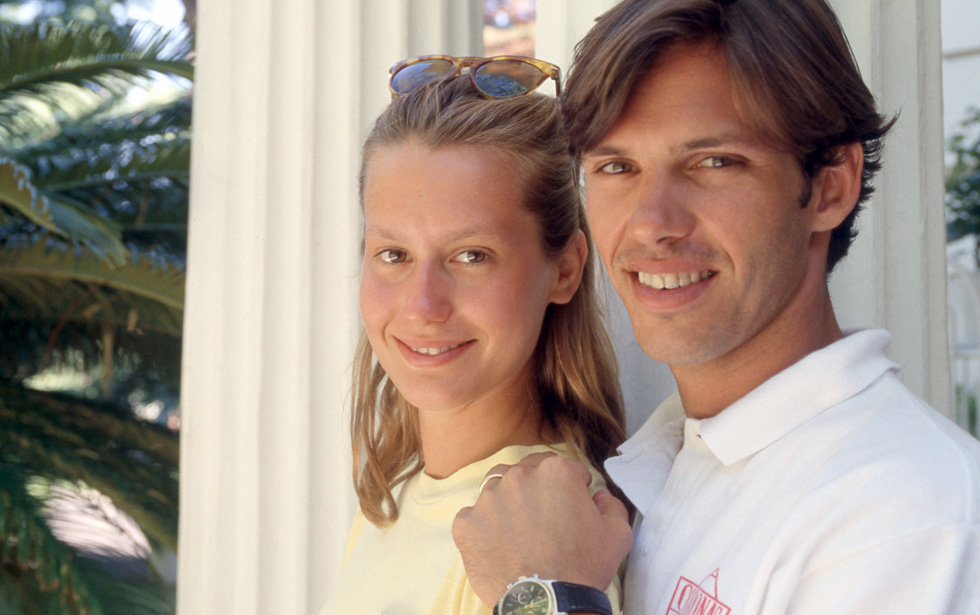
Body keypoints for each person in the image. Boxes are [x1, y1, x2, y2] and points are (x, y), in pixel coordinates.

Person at [452, 1, 980, 613]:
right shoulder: (660, 464)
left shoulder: (909, 517)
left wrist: (546, 594)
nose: (652, 224)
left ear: (831, 187)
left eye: (713, 162)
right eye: (617, 166)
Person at [319, 57, 628, 614]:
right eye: (394, 254)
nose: (422, 306)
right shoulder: (393, 501)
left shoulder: (549, 530)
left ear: (564, 269)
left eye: (471, 256)